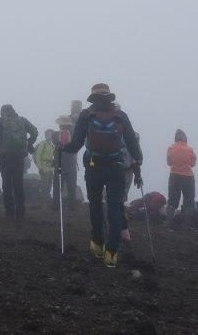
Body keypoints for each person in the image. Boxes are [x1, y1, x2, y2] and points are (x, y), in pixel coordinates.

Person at [62, 83, 143, 268]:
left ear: (92, 98)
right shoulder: (121, 116)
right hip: (116, 168)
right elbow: (131, 143)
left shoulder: (86, 115)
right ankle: (112, 252)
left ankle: (97, 244)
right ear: (109, 97)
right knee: (115, 207)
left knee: (96, 206)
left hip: (94, 167)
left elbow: (75, 145)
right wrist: (138, 160)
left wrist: (62, 146)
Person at [0, 104, 39, 219]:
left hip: (4, 157)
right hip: (19, 156)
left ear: (2, 112)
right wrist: (28, 143)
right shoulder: (22, 120)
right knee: (18, 183)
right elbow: (35, 132)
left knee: (6, 183)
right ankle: (20, 212)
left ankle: (9, 212)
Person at [166, 129, 198, 229]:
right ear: (185, 138)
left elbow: (169, 163)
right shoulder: (189, 149)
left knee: (172, 200)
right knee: (188, 200)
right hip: (188, 177)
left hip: (174, 176)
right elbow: (193, 163)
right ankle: (186, 224)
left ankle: (169, 224)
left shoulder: (171, 148)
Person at [52, 115, 80, 210]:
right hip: (69, 164)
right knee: (70, 187)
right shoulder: (58, 134)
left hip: (59, 163)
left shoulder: (55, 134)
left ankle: (56, 206)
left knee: (58, 187)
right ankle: (70, 206)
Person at [34, 129, 57, 201]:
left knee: (50, 183)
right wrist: (40, 168)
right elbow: (38, 156)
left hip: (50, 167)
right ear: (46, 135)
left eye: (51, 134)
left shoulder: (52, 145)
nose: (50, 136)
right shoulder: (42, 144)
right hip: (44, 166)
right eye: (49, 134)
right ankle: (44, 198)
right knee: (45, 183)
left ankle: (47, 197)